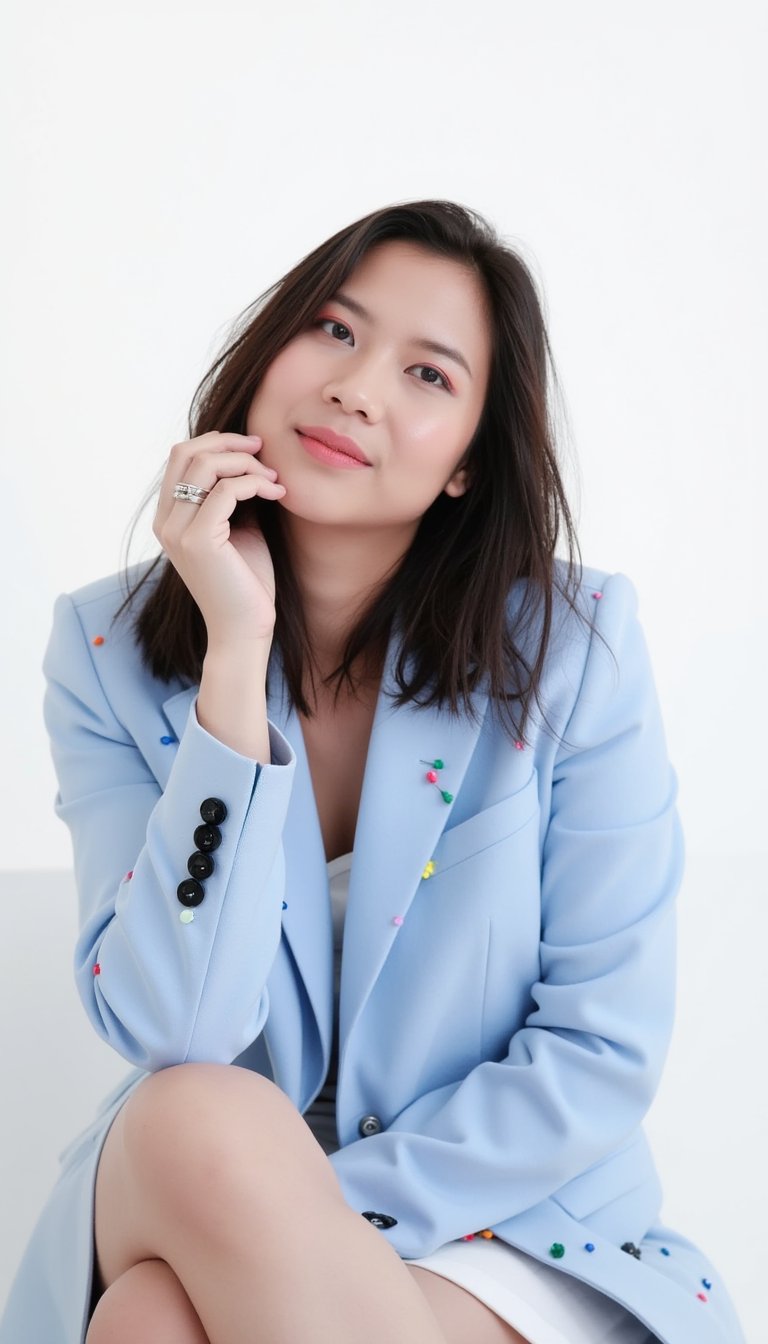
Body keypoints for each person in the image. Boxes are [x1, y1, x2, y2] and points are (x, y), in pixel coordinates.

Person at [0, 200, 746, 1344]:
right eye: (335, 332)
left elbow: (600, 1045)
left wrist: (290, 1219)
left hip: (503, 1219)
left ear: (465, 467)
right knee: (194, 1109)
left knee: (153, 1316)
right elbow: (174, 1024)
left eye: (429, 375)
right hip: (192, 1167)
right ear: (267, 359)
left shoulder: (575, 648)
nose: (358, 389)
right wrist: (233, 662)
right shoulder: (103, 652)